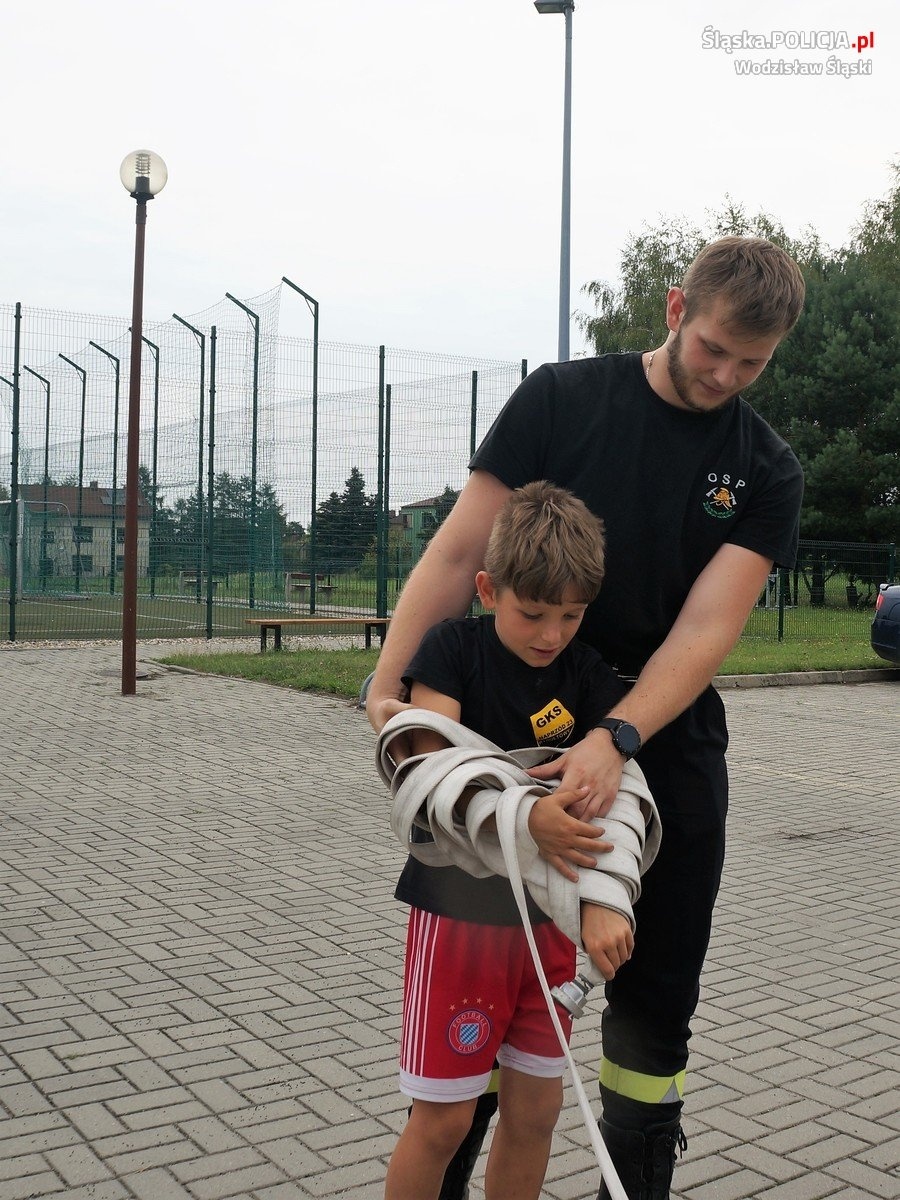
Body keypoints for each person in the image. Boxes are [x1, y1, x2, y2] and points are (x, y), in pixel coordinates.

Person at [369, 236, 807, 1200]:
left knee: (653, 1005)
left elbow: (704, 631)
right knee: (483, 992)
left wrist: (616, 740)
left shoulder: (764, 470)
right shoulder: (561, 401)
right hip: (508, 744)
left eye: (753, 364)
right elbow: (457, 556)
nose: (727, 376)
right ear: (673, 307)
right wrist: (390, 686)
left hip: (662, 744)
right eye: (715, 348)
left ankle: (636, 1179)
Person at [383, 481, 655, 1200]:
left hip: (550, 925)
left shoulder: (587, 675)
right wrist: (525, 817)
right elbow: (435, 773)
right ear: (487, 589)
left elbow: (615, 796)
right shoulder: (451, 652)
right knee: (443, 1122)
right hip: (460, 918)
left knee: (537, 1113)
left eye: (570, 615)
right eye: (534, 613)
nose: (551, 634)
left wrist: (608, 903)